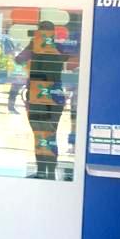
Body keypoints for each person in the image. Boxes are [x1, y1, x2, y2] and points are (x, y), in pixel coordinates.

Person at [17, 20, 70, 180]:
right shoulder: (59, 47)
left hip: (37, 97)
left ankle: (42, 172)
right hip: (54, 97)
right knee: (49, 136)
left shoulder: (34, 47)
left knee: (40, 136)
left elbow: (18, 60)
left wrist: (34, 44)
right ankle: (50, 173)